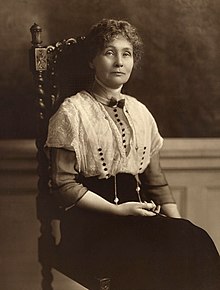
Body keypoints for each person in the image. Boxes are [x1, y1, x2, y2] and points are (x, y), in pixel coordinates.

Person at [46, 19, 219, 290]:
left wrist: (179, 226)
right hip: (89, 226)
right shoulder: (71, 112)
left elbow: (156, 182)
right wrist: (117, 211)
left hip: (136, 217)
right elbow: (64, 186)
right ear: (92, 60)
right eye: (109, 52)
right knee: (147, 256)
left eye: (126, 53)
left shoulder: (140, 112)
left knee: (194, 239)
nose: (119, 62)